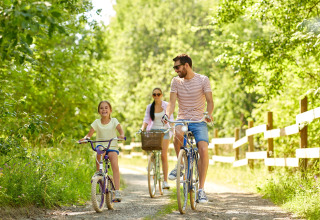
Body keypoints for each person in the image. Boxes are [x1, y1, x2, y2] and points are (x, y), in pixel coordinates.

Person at [163, 54, 214, 204]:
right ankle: (181, 164)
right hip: (183, 118)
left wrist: (208, 115)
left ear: (186, 65)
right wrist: (167, 115)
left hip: (199, 120)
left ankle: (201, 190)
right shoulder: (176, 82)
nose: (175, 71)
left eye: (177, 67)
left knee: (203, 149)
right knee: (177, 133)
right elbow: (171, 103)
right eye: (174, 68)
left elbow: (210, 101)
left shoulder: (203, 80)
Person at [81, 100, 125, 202]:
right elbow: (89, 134)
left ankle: (117, 191)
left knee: (114, 162)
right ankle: (99, 174)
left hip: (112, 145)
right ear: (99, 111)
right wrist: (85, 138)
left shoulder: (114, 121)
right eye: (101, 108)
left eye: (106, 108)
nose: (104, 110)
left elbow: (120, 130)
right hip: (101, 145)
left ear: (110, 110)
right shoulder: (96, 123)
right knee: (99, 154)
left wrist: (121, 135)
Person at [139, 88, 174, 189]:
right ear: (152, 96)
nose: (156, 96)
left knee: (163, 155)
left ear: (162, 95)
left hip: (164, 131)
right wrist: (142, 128)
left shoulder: (167, 105)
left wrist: (174, 130)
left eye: (158, 94)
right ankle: (152, 162)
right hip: (153, 131)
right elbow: (146, 119)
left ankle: (165, 181)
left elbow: (171, 119)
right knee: (153, 151)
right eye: (154, 94)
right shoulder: (150, 107)